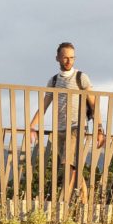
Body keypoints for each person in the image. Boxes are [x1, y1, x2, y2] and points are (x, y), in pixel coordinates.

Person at [24, 42, 103, 195]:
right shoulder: (53, 81)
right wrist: (32, 126)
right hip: (60, 129)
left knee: (68, 165)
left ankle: (64, 204)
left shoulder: (81, 78)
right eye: (65, 58)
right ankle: (85, 203)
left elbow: (94, 105)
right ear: (58, 58)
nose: (69, 61)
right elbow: (44, 106)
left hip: (77, 126)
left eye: (72, 58)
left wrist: (99, 129)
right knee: (71, 166)